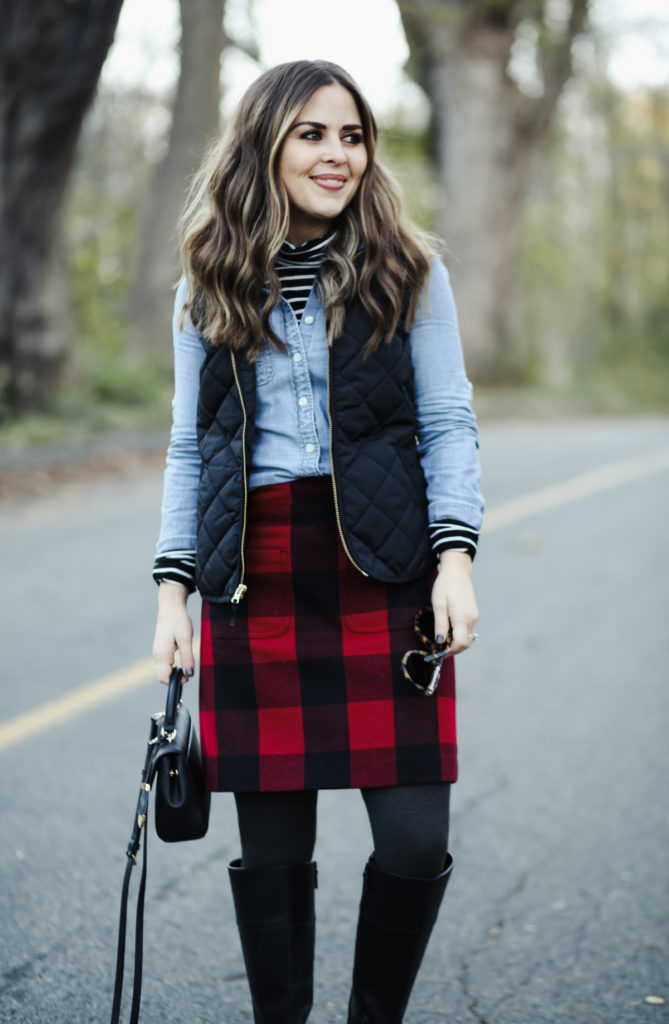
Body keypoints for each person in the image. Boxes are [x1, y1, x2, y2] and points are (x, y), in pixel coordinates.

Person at [152, 59, 483, 1024]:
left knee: (417, 840)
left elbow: (448, 423)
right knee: (275, 852)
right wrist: (173, 592)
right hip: (253, 579)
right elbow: (189, 445)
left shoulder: (409, 272)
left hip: (386, 571)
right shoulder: (206, 283)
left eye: (351, 135)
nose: (337, 155)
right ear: (265, 144)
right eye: (312, 134)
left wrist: (454, 557)